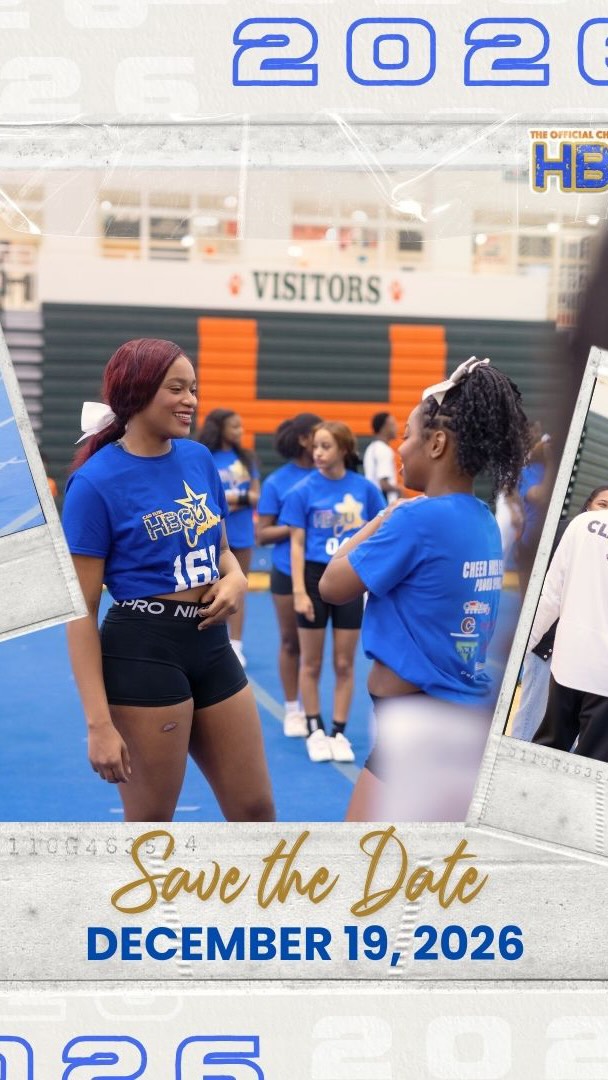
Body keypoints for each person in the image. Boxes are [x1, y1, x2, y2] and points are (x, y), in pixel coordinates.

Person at [62, 338, 275, 823]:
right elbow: (81, 611)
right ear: (137, 392)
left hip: (212, 644)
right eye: (176, 388)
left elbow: (221, 549)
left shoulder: (198, 458)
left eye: (193, 388)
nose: (190, 400)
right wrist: (98, 724)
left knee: (256, 811)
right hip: (143, 651)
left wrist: (237, 579)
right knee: (151, 827)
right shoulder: (94, 483)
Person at [319, 357, 530, 821]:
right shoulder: (482, 519)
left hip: (418, 721)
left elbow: (332, 584)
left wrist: (383, 516)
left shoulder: (415, 519)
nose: (400, 446)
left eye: (407, 435)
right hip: (451, 712)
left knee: (358, 850)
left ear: (436, 443)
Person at [281, 421, 385, 763]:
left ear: (344, 449)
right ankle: (315, 728)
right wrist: (299, 591)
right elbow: (297, 546)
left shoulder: (365, 490)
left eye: (325, 446)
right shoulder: (302, 491)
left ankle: (338, 732)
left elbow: (378, 534)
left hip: (350, 577)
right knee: (311, 661)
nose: (318, 453)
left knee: (344, 662)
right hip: (314, 577)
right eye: (315, 446)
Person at [511, 486, 608, 742]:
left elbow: (551, 594)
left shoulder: (583, 530)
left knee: (557, 739)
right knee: (533, 724)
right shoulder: (568, 530)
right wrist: (526, 642)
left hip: (581, 657)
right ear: (587, 504)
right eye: (603, 504)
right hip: (554, 647)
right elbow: (546, 589)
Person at [256, 412, 322, 737]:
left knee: (320, 650)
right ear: (304, 440)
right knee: (290, 641)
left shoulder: (331, 477)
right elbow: (262, 533)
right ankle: (293, 708)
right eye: (317, 434)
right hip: (286, 569)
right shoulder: (278, 482)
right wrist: (296, 526)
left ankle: (315, 710)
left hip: (322, 571)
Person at [197, 409, 260, 668]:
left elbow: (255, 496)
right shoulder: (205, 456)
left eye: (240, 426)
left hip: (241, 532)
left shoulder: (246, 458)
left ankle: (236, 644)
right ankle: (211, 640)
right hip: (211, 532)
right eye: (234, 426)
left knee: (238, 586)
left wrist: (227, 500)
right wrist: (235, 500)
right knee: (209, 589)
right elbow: (206, 497)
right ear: (219, 428)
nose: (240, 431)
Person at [363, 411, 406, 504]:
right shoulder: (383, 450)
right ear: (384, 427)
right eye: (392, 424)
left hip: (372, 501)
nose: (396, 427)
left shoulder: (371, 448)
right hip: (383, 504)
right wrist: (400, 490)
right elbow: (383, 484)